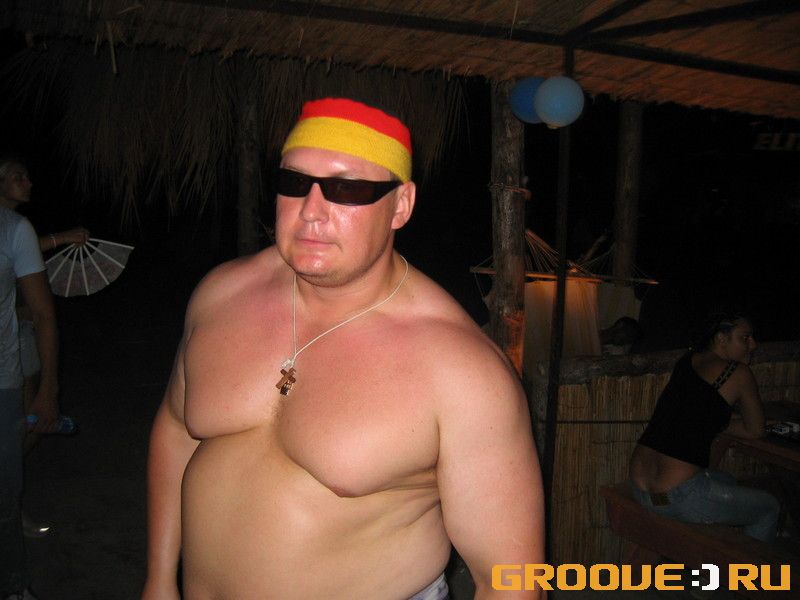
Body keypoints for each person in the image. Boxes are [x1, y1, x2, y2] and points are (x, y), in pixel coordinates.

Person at [143, 98, 545, 599]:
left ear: (401, 205)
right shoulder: (220, 296)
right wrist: (159, 579)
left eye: (347, 188)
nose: (311, 212)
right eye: (295, 182)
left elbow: (511, 581)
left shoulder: (461, 370)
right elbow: (176, 429)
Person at [628, 307, 780, 542]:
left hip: (640, 488)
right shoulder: (739, 372)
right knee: (769, 507)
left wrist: (720, 424)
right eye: (745, 338)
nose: (753, 344)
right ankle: (740, 566)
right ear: (721, 338)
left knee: (727, 481)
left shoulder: (686, 361)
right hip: (676, 497)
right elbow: (756, 430)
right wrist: (729, 424)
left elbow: (691, 415)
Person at [1, 157, 61, 600]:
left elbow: (42, 313)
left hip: (4, 375)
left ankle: (13, 584)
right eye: (18, 177)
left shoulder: (15, 230)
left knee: (6, 491)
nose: (29, 182)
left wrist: (49, 389)